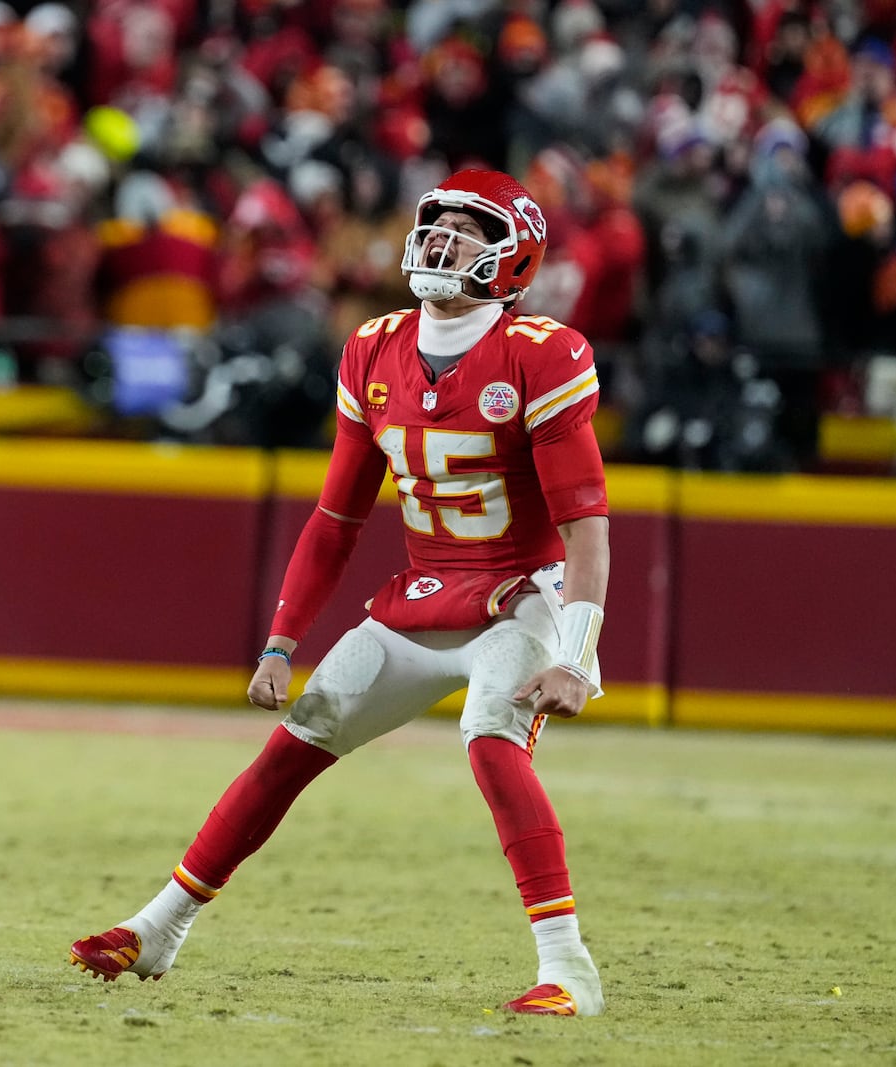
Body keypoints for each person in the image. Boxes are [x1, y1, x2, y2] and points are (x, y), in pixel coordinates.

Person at [71, 169, 612, 1017]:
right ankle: (159, 926)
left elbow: (587, 526)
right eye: (435, 224)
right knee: (300, 735)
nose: (442, 241)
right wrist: (282, 640)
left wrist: (575, 656)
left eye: (469, 231)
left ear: (513, 257)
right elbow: (335, 518)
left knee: (488, 733)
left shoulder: (541, 353)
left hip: (521, 590)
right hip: (429, 588)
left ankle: (568, 969)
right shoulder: (373, 347)